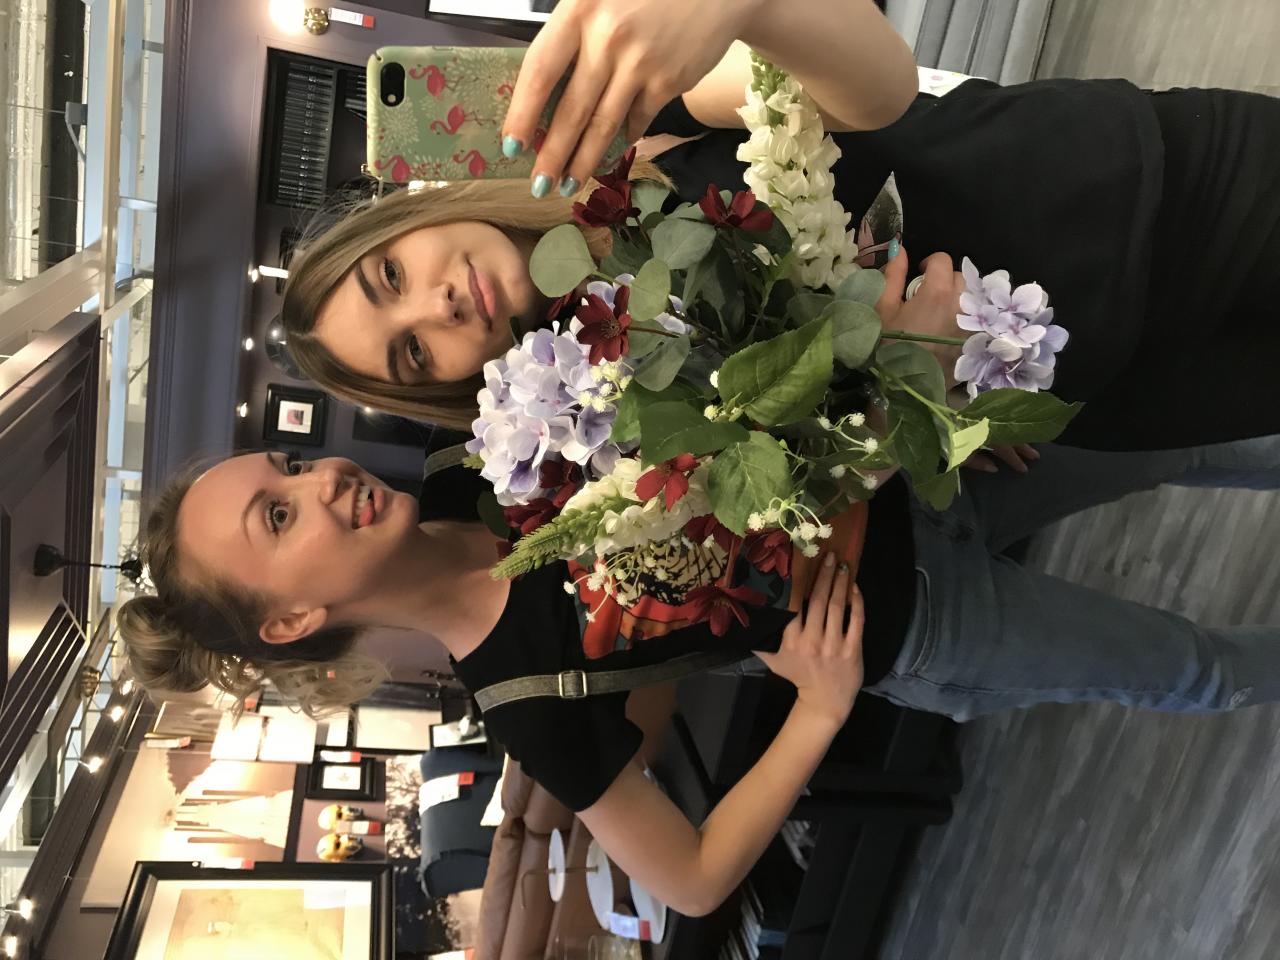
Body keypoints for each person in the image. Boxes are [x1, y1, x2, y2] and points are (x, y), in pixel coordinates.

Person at [118, 433, 1280, 917]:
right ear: (293, 621)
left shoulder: (474, 462)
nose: (319, 479)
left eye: (287, 465)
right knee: (1192, 669)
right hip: (919, 624)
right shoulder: (524, 702)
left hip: (914, 468)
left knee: (1181, 440)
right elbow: (688, 879)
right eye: (279, 515)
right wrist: (817, 709)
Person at [278, 0, 1280, 455]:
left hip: (1140, 193)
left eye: (390, 278)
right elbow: (838, 463)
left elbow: (877, 88)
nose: (437, 307)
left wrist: (734, 5)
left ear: (404, 222)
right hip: (1096, 384)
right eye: (414, 353)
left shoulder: (626, 133)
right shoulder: (621, 430)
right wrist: (909, 398)